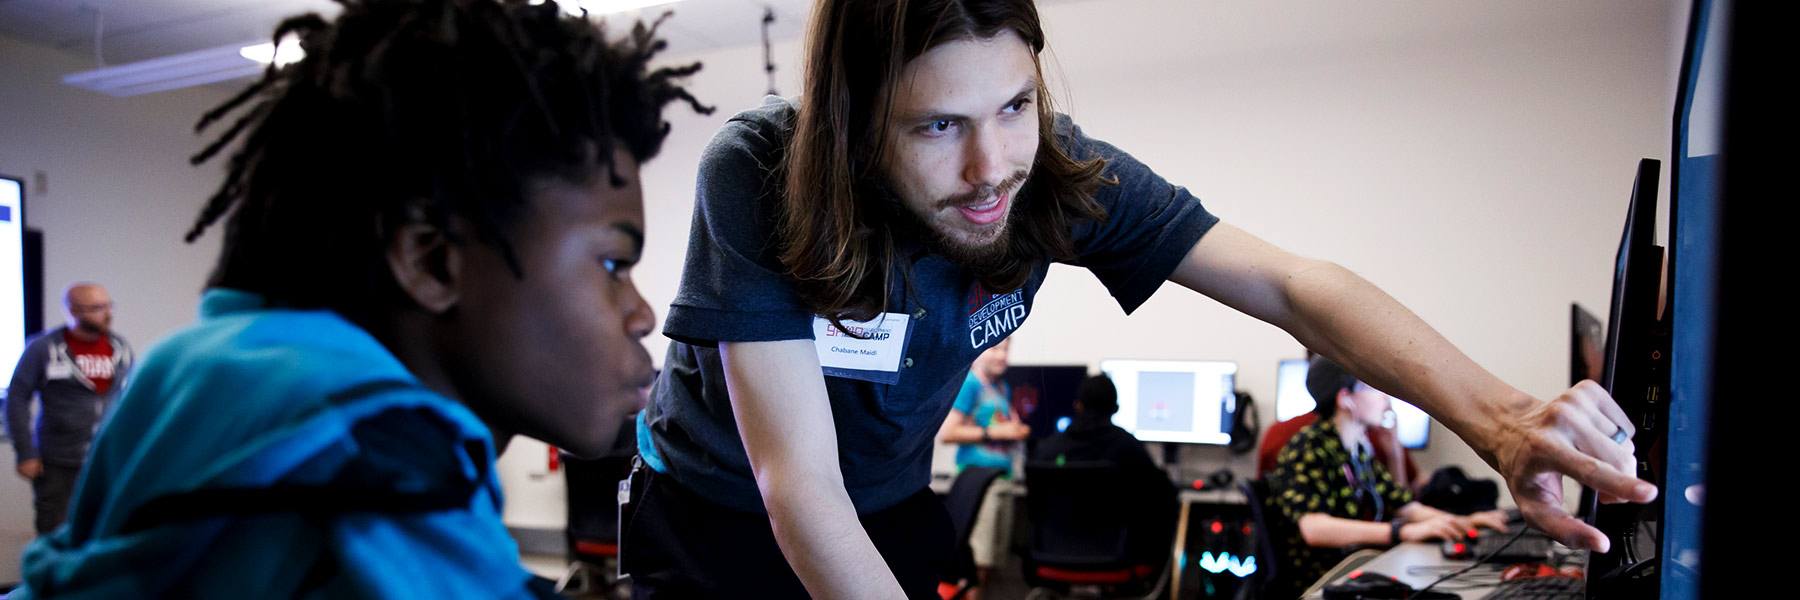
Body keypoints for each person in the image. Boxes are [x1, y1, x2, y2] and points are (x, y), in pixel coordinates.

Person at [630, 0, 1654, 597]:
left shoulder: (1050, 174)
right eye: (937, 126)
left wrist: (1503, 421)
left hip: (887, 498)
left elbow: (1292, 285)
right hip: (721, 513)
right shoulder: (761, 172)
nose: (992, 169)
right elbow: (799, 489)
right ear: (856, 123)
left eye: (1015, 106)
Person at [9, 1, 706, 597]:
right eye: (613, 264)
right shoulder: (385, 456)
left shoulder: (185, 370)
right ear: (431, 261)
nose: (643, 313)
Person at [1269, 357, 1511, 598]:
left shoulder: (1357, 449)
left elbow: (1404, 506)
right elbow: (1314, 528)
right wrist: (1400, 532)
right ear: (1345, 399)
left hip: (1360, 568)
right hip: (1323, 580)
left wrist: (1463, 522)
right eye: (1372, 388)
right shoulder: (1308, 447)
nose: (1384, 398)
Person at [6, 282, 133, 535]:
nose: (108, 314)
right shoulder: (44, 348)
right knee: (56, 531)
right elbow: (17, 398)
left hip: (105, 459)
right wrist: (25, 452)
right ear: (74, 311)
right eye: (97, 308)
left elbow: (128, 399)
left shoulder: (120, 348)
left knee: (102, 531)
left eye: (108, 306)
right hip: (58, 462)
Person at [1031, 374, 1175, 566]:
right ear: (1116, 408)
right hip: (1117, 561)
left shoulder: (1048, 449)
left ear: (1078, 405)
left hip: (1052, 558)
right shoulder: (1128, 448)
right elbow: (1164, 493)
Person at [935, 338, 1027, 592]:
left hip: (1002, 479)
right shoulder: (970, 384)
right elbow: (948, 433)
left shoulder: (1001, 388)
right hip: (979, 484)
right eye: (996, 348)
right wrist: (996, 432)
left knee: (991, 565)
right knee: (976, 564)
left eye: (1006, 349)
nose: (1002, 356)